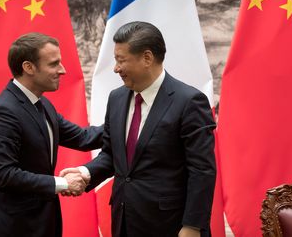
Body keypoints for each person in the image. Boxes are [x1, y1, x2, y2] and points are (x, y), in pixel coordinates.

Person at [61, 21, 216, 237]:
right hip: (124, 220)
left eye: (120, 60)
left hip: (170, 225)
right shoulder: (116, 98)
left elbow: (202, 171)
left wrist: (192, 226)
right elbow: (113, 153)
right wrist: (86, 173)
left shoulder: (189, 101)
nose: (116, 68)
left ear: (147, 58)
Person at [0, 32, 103, 237]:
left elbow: (84, 138)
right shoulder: (3, 111)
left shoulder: (42, 104)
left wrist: (128, 122)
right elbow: (4, 175)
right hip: (14, 228)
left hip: (45, 223)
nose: (62, 70)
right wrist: (63, 183)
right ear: (28, 67)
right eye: (54, 64)